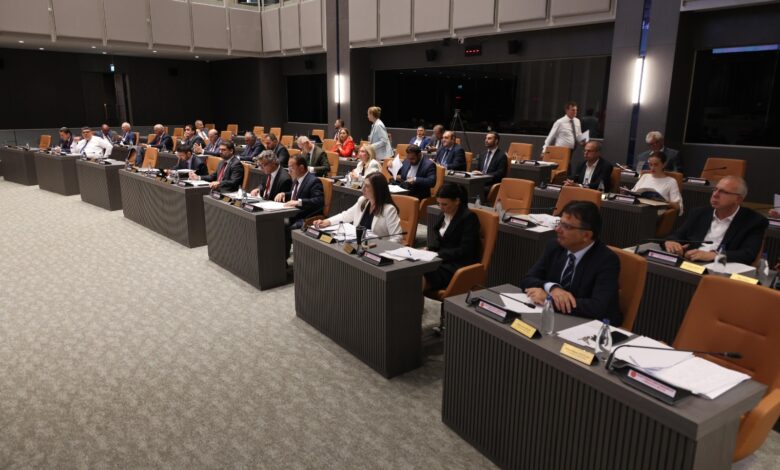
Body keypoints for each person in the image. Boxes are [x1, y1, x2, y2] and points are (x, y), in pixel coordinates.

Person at [520, 201, 621, 324]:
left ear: (586, 235)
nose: (558, 229)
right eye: (559, 223)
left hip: (590, 325)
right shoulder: (554, 246)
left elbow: (597, 307)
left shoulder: (607, 260)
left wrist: (549, 300)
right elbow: (528, 279)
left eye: (566, 227)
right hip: (556, 318)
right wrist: (553, 288)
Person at [664, 176, 768, 264]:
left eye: (723, 192)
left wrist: (715, 255)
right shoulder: (698, 213)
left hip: (721, 267)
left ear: (738, 199)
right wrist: (671, 242)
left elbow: (748, 254)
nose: (715, 194)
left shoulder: (753, 221)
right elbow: (677, 235)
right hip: (691, 262)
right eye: (715, 189)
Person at [314, 172, 403, 243]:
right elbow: (346, 215)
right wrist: (327, 221)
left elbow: (397, 237)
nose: (362, 188)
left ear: (377, 189)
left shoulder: (389, 210)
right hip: (357, 243)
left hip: (375, 250)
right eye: (363, 184)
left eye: (367, 186)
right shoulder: (362, 201)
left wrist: (378, 247)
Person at [423, 183, 481, 291]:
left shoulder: (469, 217)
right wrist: (429, 249)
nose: (441, 208)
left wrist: (438, 254)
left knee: (421, 274)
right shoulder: (444, 214)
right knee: (414, 269)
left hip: (457, 264)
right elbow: (441, 239)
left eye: (445, 204)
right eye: (439, 204)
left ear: (457, 201)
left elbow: (465, 250)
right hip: (442, 260)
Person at [275, 154, 325, 257]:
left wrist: (299, 202)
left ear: (301, 167)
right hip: (293, 214)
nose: (289, 171)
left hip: (305, 217)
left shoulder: (313, 181)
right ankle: (278, 257)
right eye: (288, 167)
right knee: (275, 222)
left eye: (291, 167)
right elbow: (295, 193)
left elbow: (319, 201)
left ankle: (283, 259)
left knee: (284, 226)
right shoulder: (296, 179)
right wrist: (284, 194)